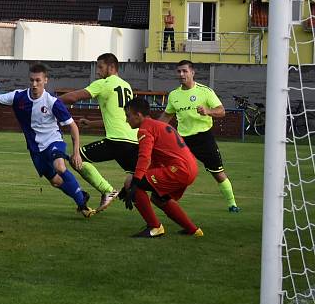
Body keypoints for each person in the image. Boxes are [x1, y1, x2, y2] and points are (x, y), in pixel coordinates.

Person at [0, 64, 95, 218]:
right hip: (35, 148)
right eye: (32, 80)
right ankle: (81, 195)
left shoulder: (53, 102)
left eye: (38, 80)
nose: (34, 84)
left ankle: (82, 204)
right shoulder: (18, 96)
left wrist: (76, 153)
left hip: (53, 141)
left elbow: (73, 127)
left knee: (60, 167)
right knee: (56, 182)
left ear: (45, 80)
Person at [60, 53, 138, 212]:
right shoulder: (127, 86)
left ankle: (107, 190)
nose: (98, 71)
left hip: (117, 141)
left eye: (100, 67)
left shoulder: (104, 83)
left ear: (111, 67)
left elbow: (75, 97)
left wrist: (50, 100)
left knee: (77, 158)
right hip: (133, 141)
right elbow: (120, 119)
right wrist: (91, 124)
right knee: (133, 181)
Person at [159, 60, 240, 212]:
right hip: (183, 141)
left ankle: (232, 204)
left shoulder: (205, 91)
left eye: (184, 71)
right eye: (179, 71)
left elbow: (221, 111)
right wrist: (152, 129)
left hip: (204, 138)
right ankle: (166, 200)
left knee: (217, 173)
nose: (181, 74)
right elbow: (167, 115)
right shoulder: (174, 95)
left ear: (192, 73)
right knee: (177, 171)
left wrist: (208, 111)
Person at [120, 97, 202, 238]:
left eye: (128, 116)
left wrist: (134, 183)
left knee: (131, 181)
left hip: (179, 170)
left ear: (138, 115)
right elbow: (156, 160)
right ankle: (193, 230)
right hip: (190, 169)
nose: (127, 120)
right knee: (158, 197)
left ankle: (154, 227)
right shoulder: (158, 125)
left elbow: (144, 157)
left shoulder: (145, 129)